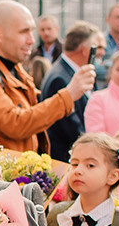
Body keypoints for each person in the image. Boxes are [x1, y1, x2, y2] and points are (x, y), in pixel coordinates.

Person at [0, 1, 88, 156]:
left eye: (32, 31)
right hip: (0, 177)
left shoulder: (14, 68)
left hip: (17, 174)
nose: (31, 40)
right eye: (24, 32)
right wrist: (68, 95)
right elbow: (16, 123)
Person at [36, 22, 100, 162]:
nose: (99, 53)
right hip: (64, 159)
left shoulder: (74, 72)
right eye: (95, 47)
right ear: (85, 50)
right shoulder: (60, 78)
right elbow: (70, 127)